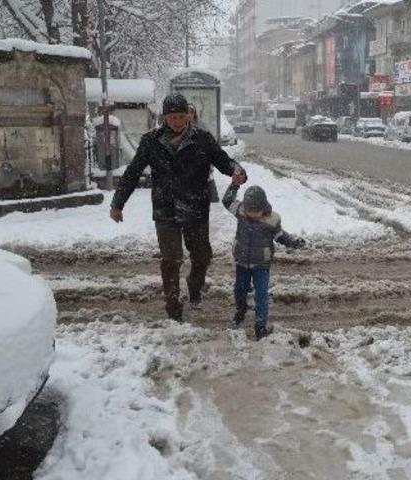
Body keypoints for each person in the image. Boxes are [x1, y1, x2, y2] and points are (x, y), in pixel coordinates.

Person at [110, 93, 247, 321]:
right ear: (165, 117)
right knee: (171, 260)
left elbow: (222, 160)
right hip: (166, 209)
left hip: (195, 206)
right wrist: (117, 203)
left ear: (188, 115)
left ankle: (194, 288)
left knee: (202, 256)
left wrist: (236, 170)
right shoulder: (151, 141)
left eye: (181, 116)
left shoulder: (202, 138)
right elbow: (133, 173)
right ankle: (173, 307)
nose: (177, 121)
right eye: (172, 117)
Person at [222, 178, 305, 340]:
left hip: (261, 265)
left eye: (255, 210)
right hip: (242, 262)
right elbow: (227, 201)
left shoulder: (271, 221)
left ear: (263, 208)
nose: (251, 214)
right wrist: (234, 184)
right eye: (249, 210)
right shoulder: (240, 212)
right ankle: (241, 309)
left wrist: (293, 242)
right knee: (239, 290)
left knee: (261, 295)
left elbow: (280, 236)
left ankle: (260, 325)